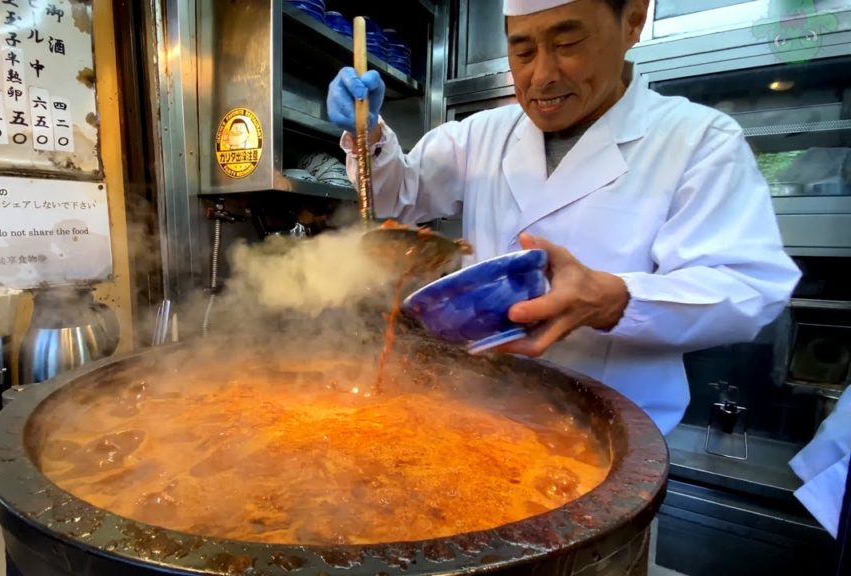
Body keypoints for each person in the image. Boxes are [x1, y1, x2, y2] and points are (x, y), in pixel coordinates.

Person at [326, 0, 802, 435]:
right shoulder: (481, 134)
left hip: (608, 438)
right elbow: (398, 198)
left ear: (633, 21)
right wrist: (369, 137)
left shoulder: (697, 138)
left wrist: (611, 299)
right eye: (523, 51)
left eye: (568, 44)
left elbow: (748, 289)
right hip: (475, 416)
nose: (542, 76)